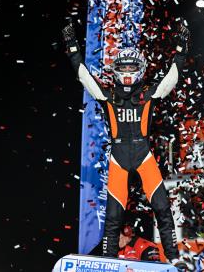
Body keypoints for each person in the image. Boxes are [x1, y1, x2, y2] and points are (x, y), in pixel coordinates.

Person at [62, 20, 190, 270]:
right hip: (119, 158)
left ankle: (174, 257)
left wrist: (182, 47)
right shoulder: (107, 95)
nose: (129, 70)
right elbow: (82, 75)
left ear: (140, 69)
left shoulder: (149, 94)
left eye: (133, 66)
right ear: (116, 70)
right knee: (112, 218)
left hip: (143, 155)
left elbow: (172, 76)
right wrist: (71, 46)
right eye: (125, 66)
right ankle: (110, 263)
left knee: (163, 209)